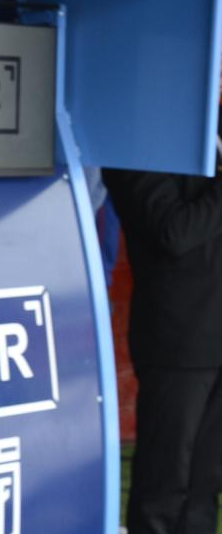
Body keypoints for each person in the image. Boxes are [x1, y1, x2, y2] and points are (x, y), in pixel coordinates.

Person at [103, 156, 222, 534]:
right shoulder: (139, 152)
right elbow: (174, 232)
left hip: (217, 331)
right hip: (178, 339)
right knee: (164, 481)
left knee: (205, 481)